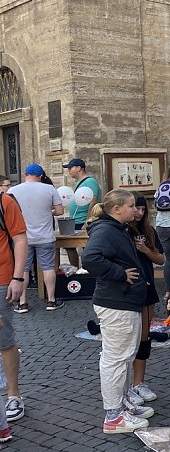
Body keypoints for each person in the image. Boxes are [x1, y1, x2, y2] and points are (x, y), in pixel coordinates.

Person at [81, 189, 154, 433]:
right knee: (115, 358)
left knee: (124, 356)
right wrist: (120, 274)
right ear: (117, 209)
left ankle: (120, 406)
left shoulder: (116, 228)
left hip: (123, 301)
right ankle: (113, 416)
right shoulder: (105, 230)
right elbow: (90, 259)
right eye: (132, 206)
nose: (136, 210)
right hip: (116, 303)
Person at [8, 164, 64, 313]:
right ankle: (51, 300)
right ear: (41, 176)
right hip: (45, 236)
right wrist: (48, 211)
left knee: (23, 269)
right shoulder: (49, 189)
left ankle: (23, 302)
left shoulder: (13, 190)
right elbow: (59, 211)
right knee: (47, 267)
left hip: (22, 238)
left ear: (25, 175)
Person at [126, 194, 165, 405]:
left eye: (142, 209)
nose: (139, 213)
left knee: (144, 336)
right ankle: (126, 386)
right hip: (130, 289)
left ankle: (138, 383)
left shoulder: (149, 231)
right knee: (129, 338)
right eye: (135, 208)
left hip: (148, 285)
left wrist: (147, 251)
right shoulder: (123, 230)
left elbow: (161, 258)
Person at [0, 188, 29, 428]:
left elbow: (20, 239)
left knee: (4, 339)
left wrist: (18, 278)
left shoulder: (4, 201)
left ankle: (13, 394)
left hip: (1, 280)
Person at [64, 157, 103, 268]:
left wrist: (87, 221)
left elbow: (92, 202)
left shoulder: (90, 182)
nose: (69, 171)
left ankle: (88, 271)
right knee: (69, 245)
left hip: (82, 220)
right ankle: (75, 269)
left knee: (86, 247)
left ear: (79, 168)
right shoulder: (80, 182)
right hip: (76, 219)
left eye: (70, 168)